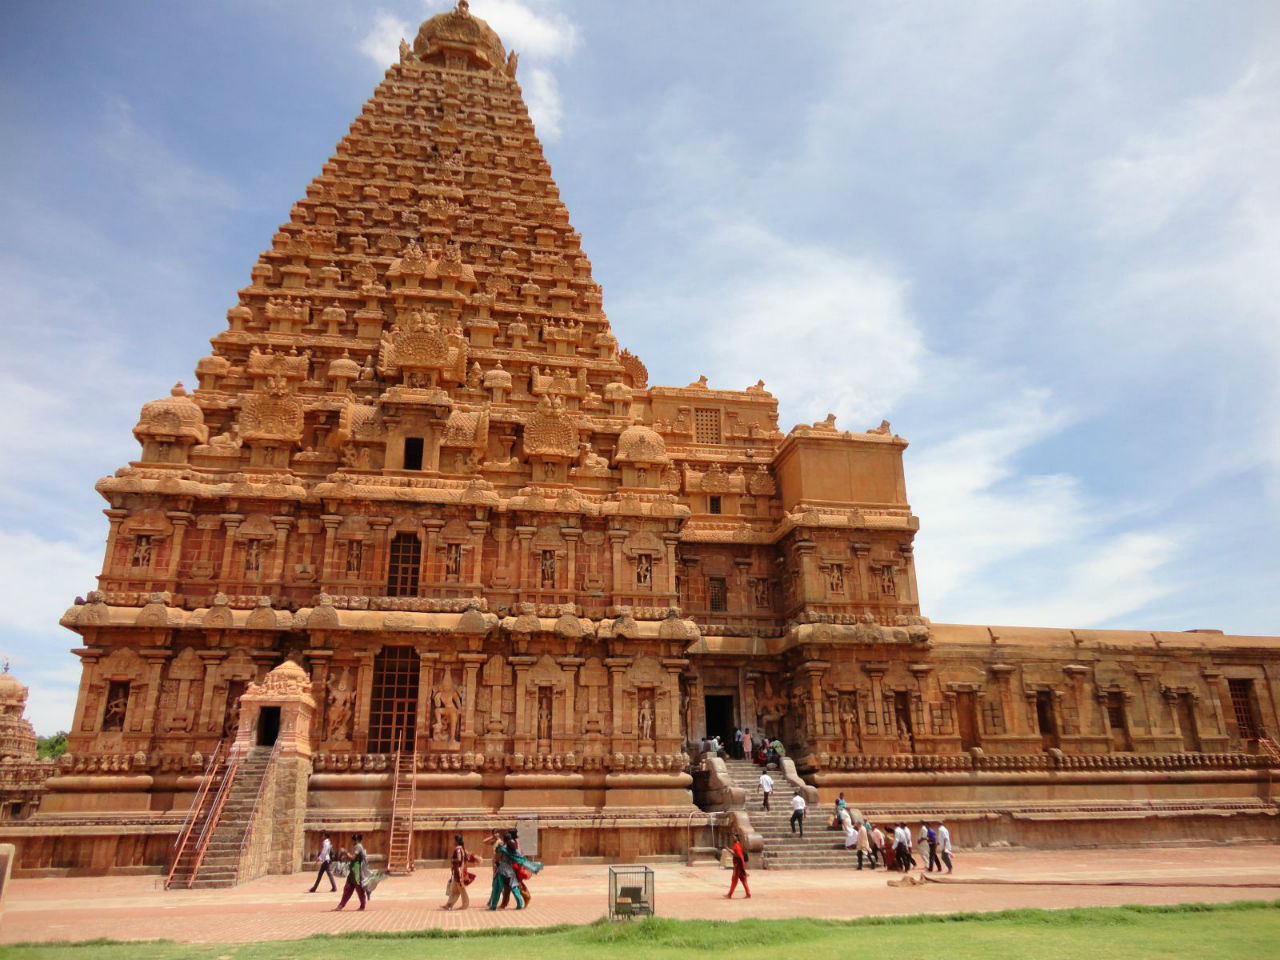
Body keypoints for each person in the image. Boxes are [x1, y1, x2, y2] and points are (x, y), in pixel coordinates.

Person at [442, 833, 477, 910]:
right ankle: (449, 905)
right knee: (454, 890)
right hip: (458, 871)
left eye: (454, 840)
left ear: (456, 841)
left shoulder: (458, 849)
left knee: (461, 889)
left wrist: (452, 860)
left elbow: (459, 859)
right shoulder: (462, 848)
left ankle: (465, 904)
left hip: (459, 872)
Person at [334, 833, 367, 910]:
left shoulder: (358, 846)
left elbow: (353, 857)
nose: (352, 842)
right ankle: (341, 905)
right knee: (348, 888)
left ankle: (362, 905)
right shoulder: (357, 847)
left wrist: (345, 852)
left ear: (356, 840)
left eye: (353, 840)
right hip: (353, 869)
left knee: (359, 889)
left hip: (356, 870)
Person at [725, 831, 750, 898]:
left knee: (734, 880)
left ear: (737, 838)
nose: (733, 838)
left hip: (738, 865)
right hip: (739, 864)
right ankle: (748, 893)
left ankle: (729, 894)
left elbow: (737, 855)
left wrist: (729, 850)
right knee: (743, 879)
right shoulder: (737, 844)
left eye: (734, 837)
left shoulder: (737, 845)